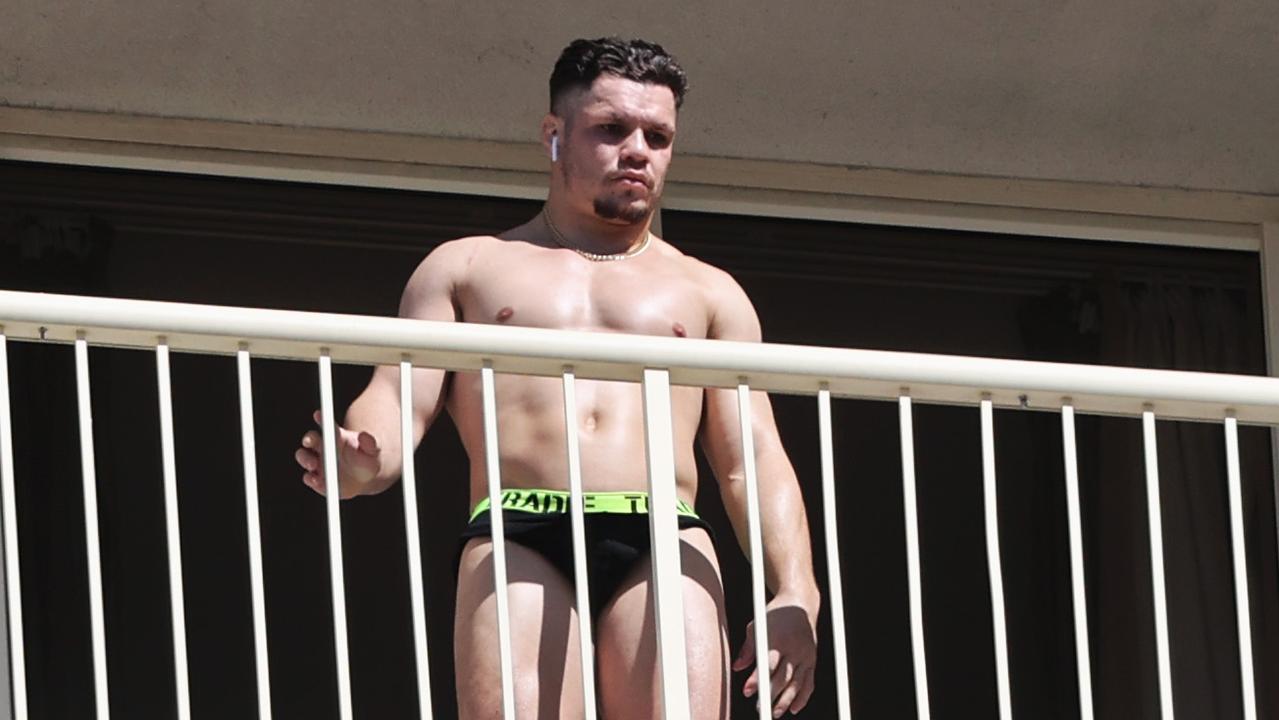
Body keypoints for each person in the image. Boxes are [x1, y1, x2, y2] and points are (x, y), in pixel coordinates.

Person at [294, 37, 820, 720]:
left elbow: (750, 456)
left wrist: (795, 593)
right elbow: (397, 398)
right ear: (553, 135)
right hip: (518, 531)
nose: (637, 149)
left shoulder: (708, 291)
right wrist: (364, 461)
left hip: (663, 532)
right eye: (611, 129)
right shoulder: (468, 267)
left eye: (657, 136)